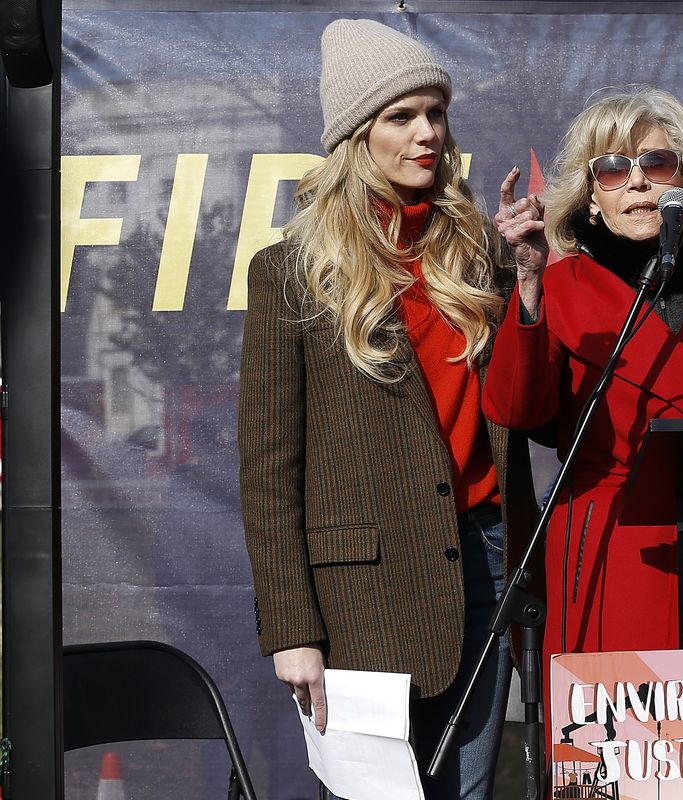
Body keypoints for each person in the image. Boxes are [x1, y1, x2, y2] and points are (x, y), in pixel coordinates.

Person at [238, 19, 534, 800]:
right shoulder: (291, 274)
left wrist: (525, 283)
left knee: (466, 794)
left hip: (486, 557)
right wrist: (293, 628)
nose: (427, 132)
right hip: (360, 591)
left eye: (435, 112)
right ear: (355, 136)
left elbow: (520, 400)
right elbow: (270, 470)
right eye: (401, 117)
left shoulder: (477, 256)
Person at [484, 87, 683, 659]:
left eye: (655, 164)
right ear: (590, 198)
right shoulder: (557, 291)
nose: (636, 181)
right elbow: (514, 410)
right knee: (617, 741)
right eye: (611, 170)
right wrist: (529, 282)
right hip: (608, 549)